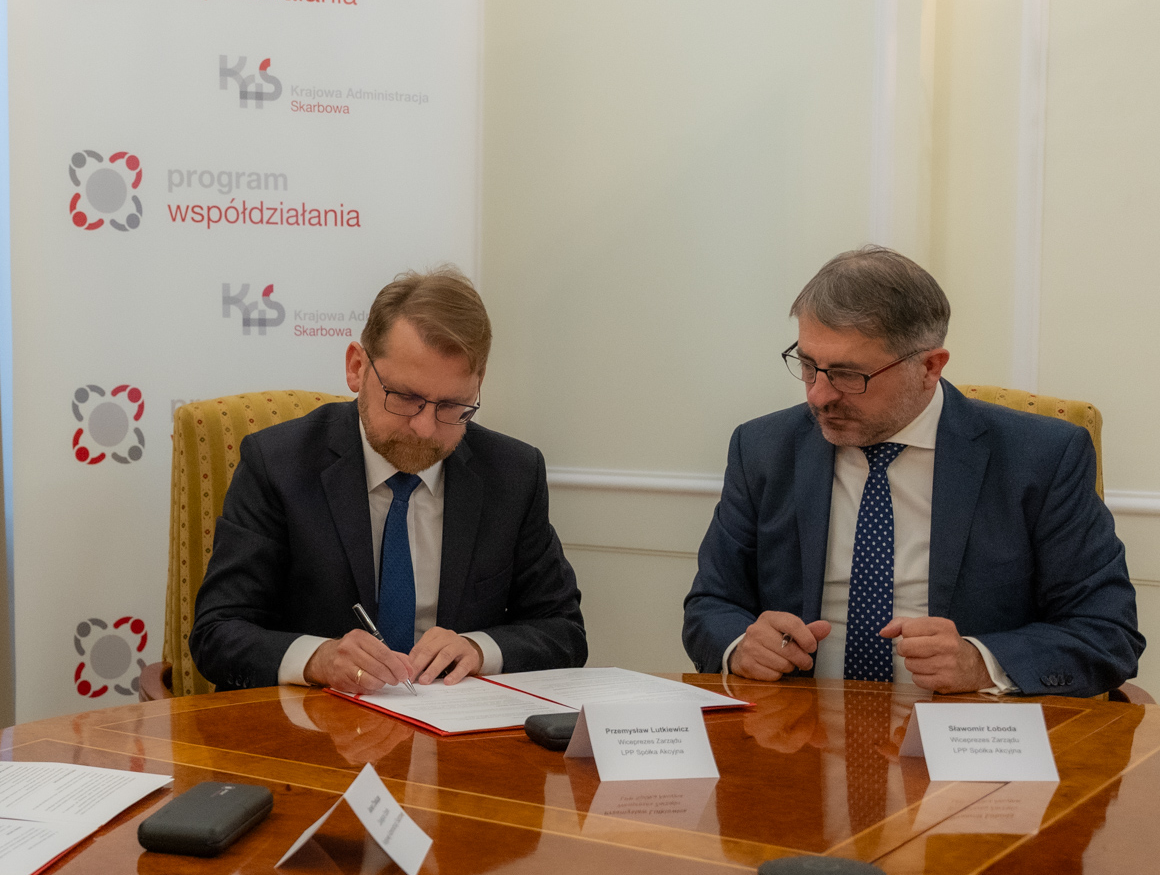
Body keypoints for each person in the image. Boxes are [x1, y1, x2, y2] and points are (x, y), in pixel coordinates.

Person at [684, 245, 1141, 696]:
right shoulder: (763, 448)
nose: (819, 396)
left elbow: (1106, 632)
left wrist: (981, 663)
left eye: (849, 374)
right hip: (795, 727)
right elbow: (711, 604)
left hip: (966, 729)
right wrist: (742, 646)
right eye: (807, 365)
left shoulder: (1039, 457)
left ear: (929, 367)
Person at [189, 266, 586, 692]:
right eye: (406, 397)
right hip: (317, 723)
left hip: (457, 723)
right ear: (357, 367)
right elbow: (218, 632)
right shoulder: (278, 464)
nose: (426, 429)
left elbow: (563, 630)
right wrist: (318, 659)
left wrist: (478, 648)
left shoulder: (513, 473)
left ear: (478, 385)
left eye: (452, 406)